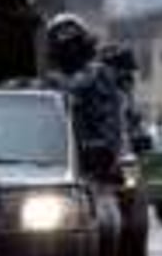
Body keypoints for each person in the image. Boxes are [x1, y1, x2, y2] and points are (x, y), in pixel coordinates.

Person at [44, 14, 124, 181]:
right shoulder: (44, 82)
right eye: (65, 46)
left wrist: (103, 150)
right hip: (50, 164)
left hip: (95, 170)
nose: (71, 51)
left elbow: (111, 121)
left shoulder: (99, 76)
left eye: (75, 44)